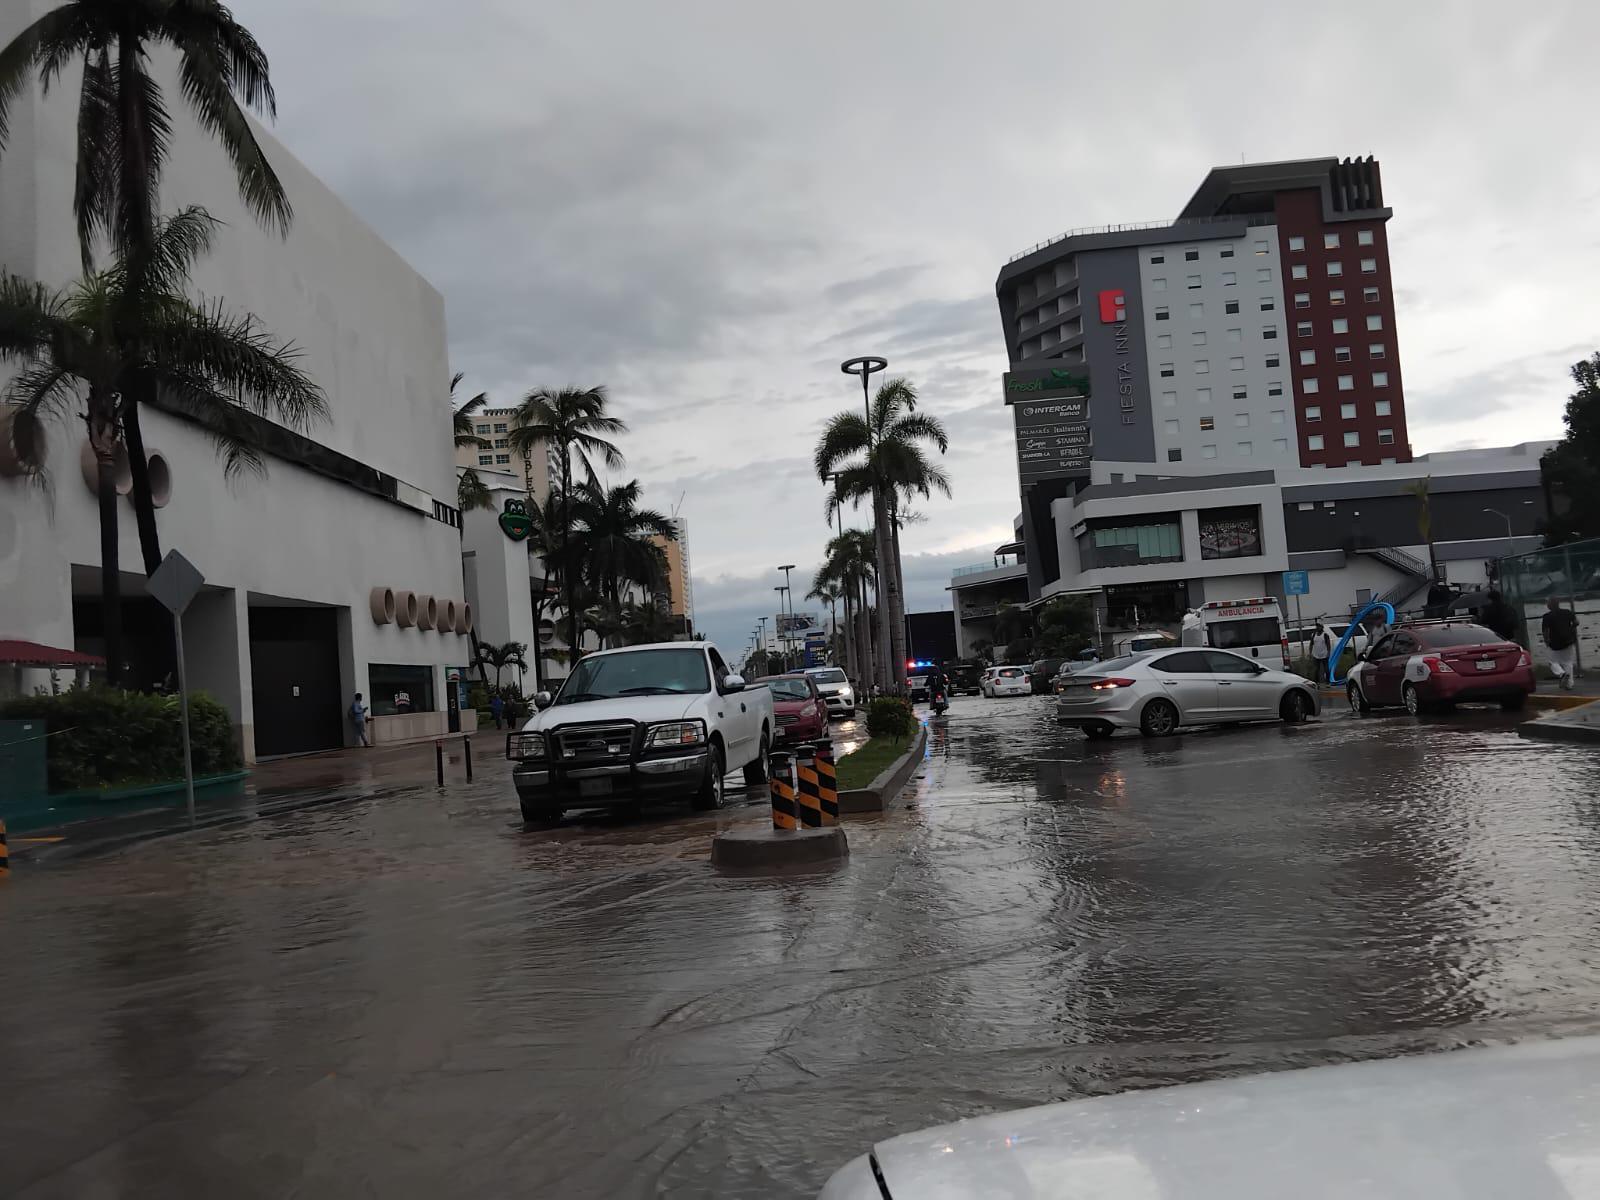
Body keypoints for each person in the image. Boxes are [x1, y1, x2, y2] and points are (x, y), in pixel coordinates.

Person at [1541, 597, 1580, 691]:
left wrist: (1547, 641)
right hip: (1568, 640)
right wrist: (1570, 629)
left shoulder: (1547, 616)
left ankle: (1561, 673)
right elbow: (1577, 622)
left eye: (1548, 603)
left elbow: (1546, 631)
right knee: (1568, 663)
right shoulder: (1567, 612)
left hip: (1555, 643)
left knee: (1552, 662)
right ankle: (1569, 684)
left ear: (1550, 605)